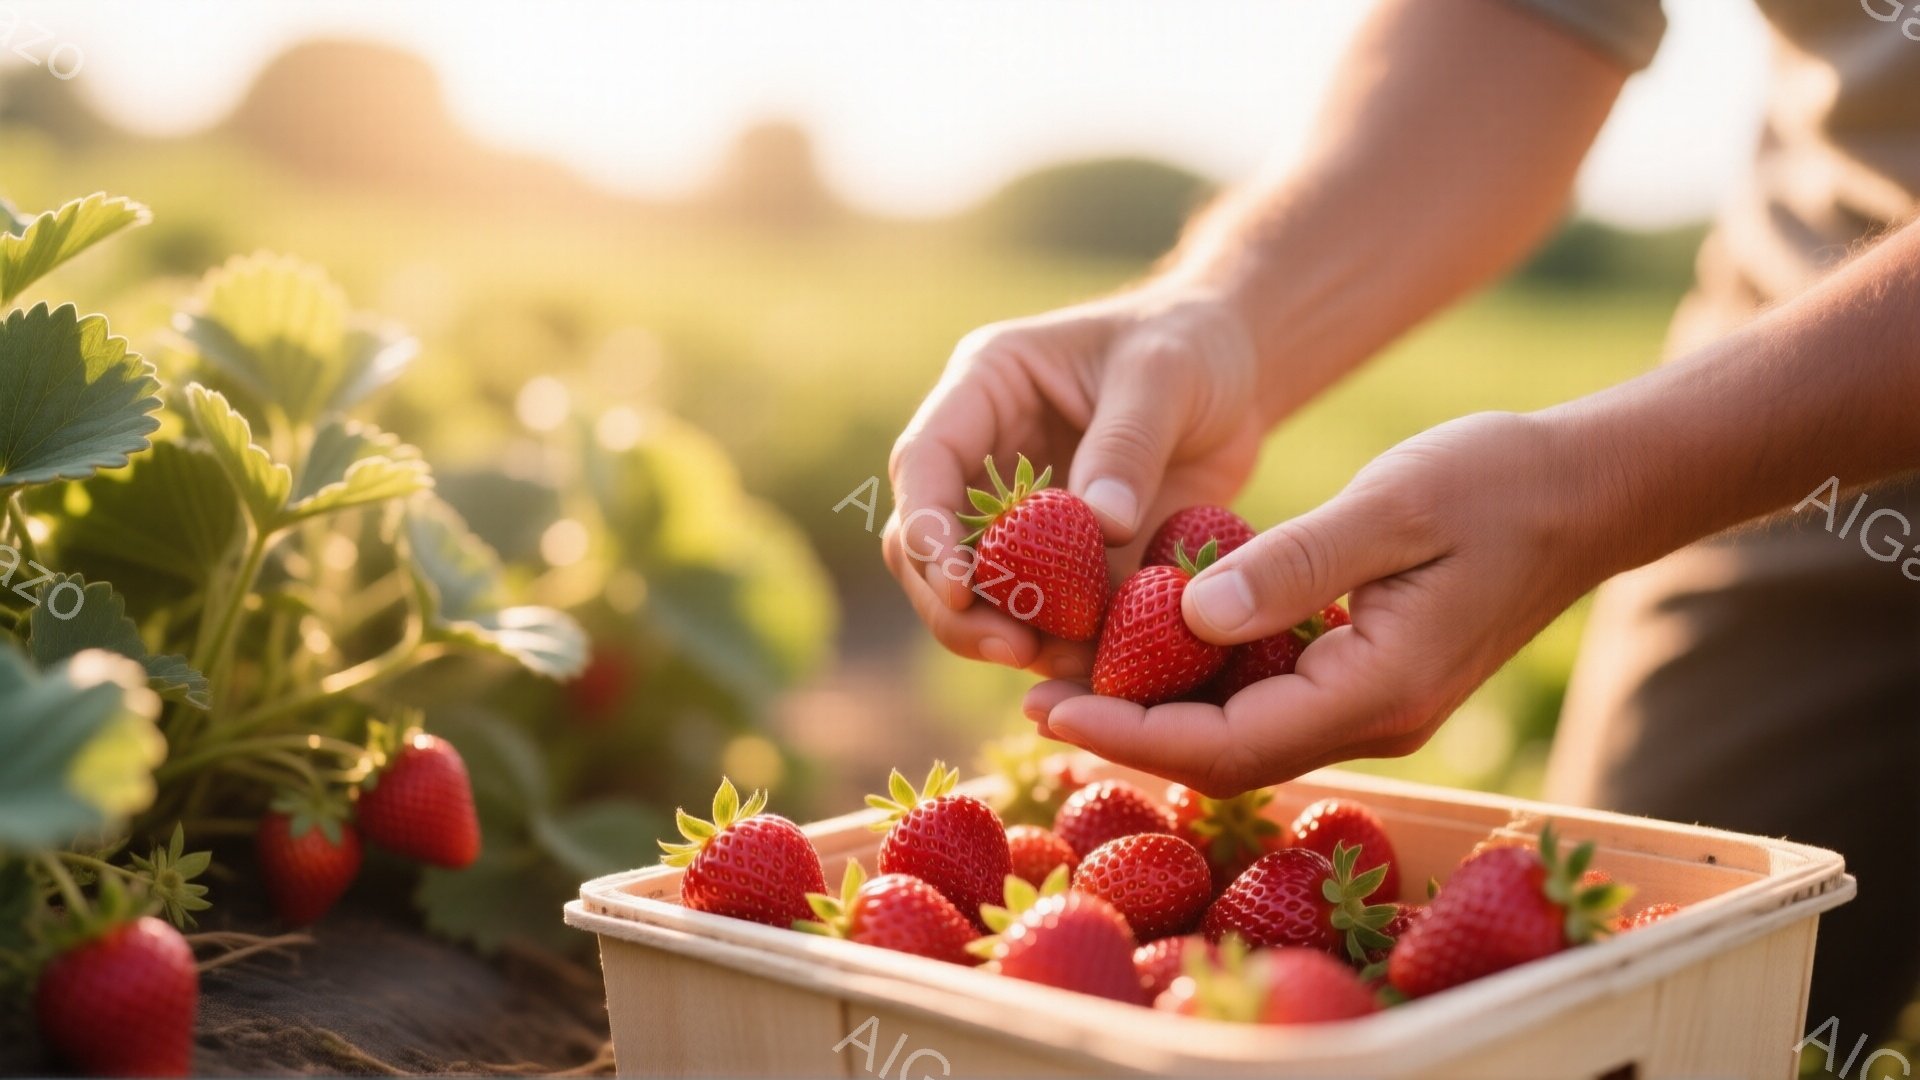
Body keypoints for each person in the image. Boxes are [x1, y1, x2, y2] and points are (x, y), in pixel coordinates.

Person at [881, 0, 1920, 1041]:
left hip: (1738, 418)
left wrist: (1591, 487)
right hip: (1782, 373)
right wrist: (1225, 312)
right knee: (1668, 1010)